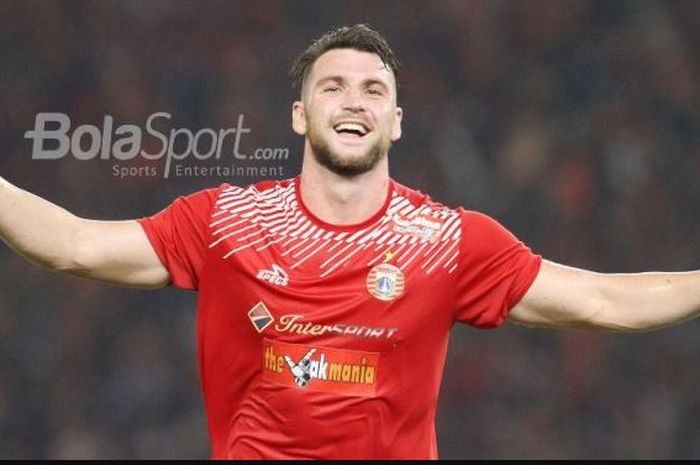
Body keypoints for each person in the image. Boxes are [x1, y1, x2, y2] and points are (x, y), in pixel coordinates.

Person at [1, 23, 699, 460]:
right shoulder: (228, 221)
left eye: (372, 90)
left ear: (396, 120)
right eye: (332, 87)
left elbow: (606, 298)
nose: (353, 101)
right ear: (302, 116)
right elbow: (73, 245)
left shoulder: (447, 241)